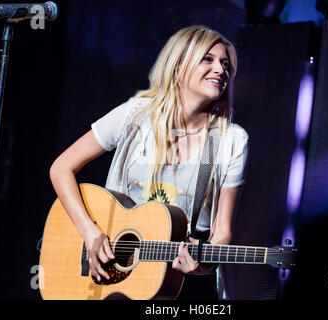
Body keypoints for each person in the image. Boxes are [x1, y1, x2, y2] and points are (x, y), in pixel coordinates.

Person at [49, 25, 249, 300]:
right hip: (116, 277)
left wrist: (202, 264)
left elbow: (222, 231)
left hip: (180, 288)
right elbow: (61, 168)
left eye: (226, 64)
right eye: (208, 59)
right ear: (179, 65)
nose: (220, 70)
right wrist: (90, 232)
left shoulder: (231, 141)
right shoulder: (134, 115)